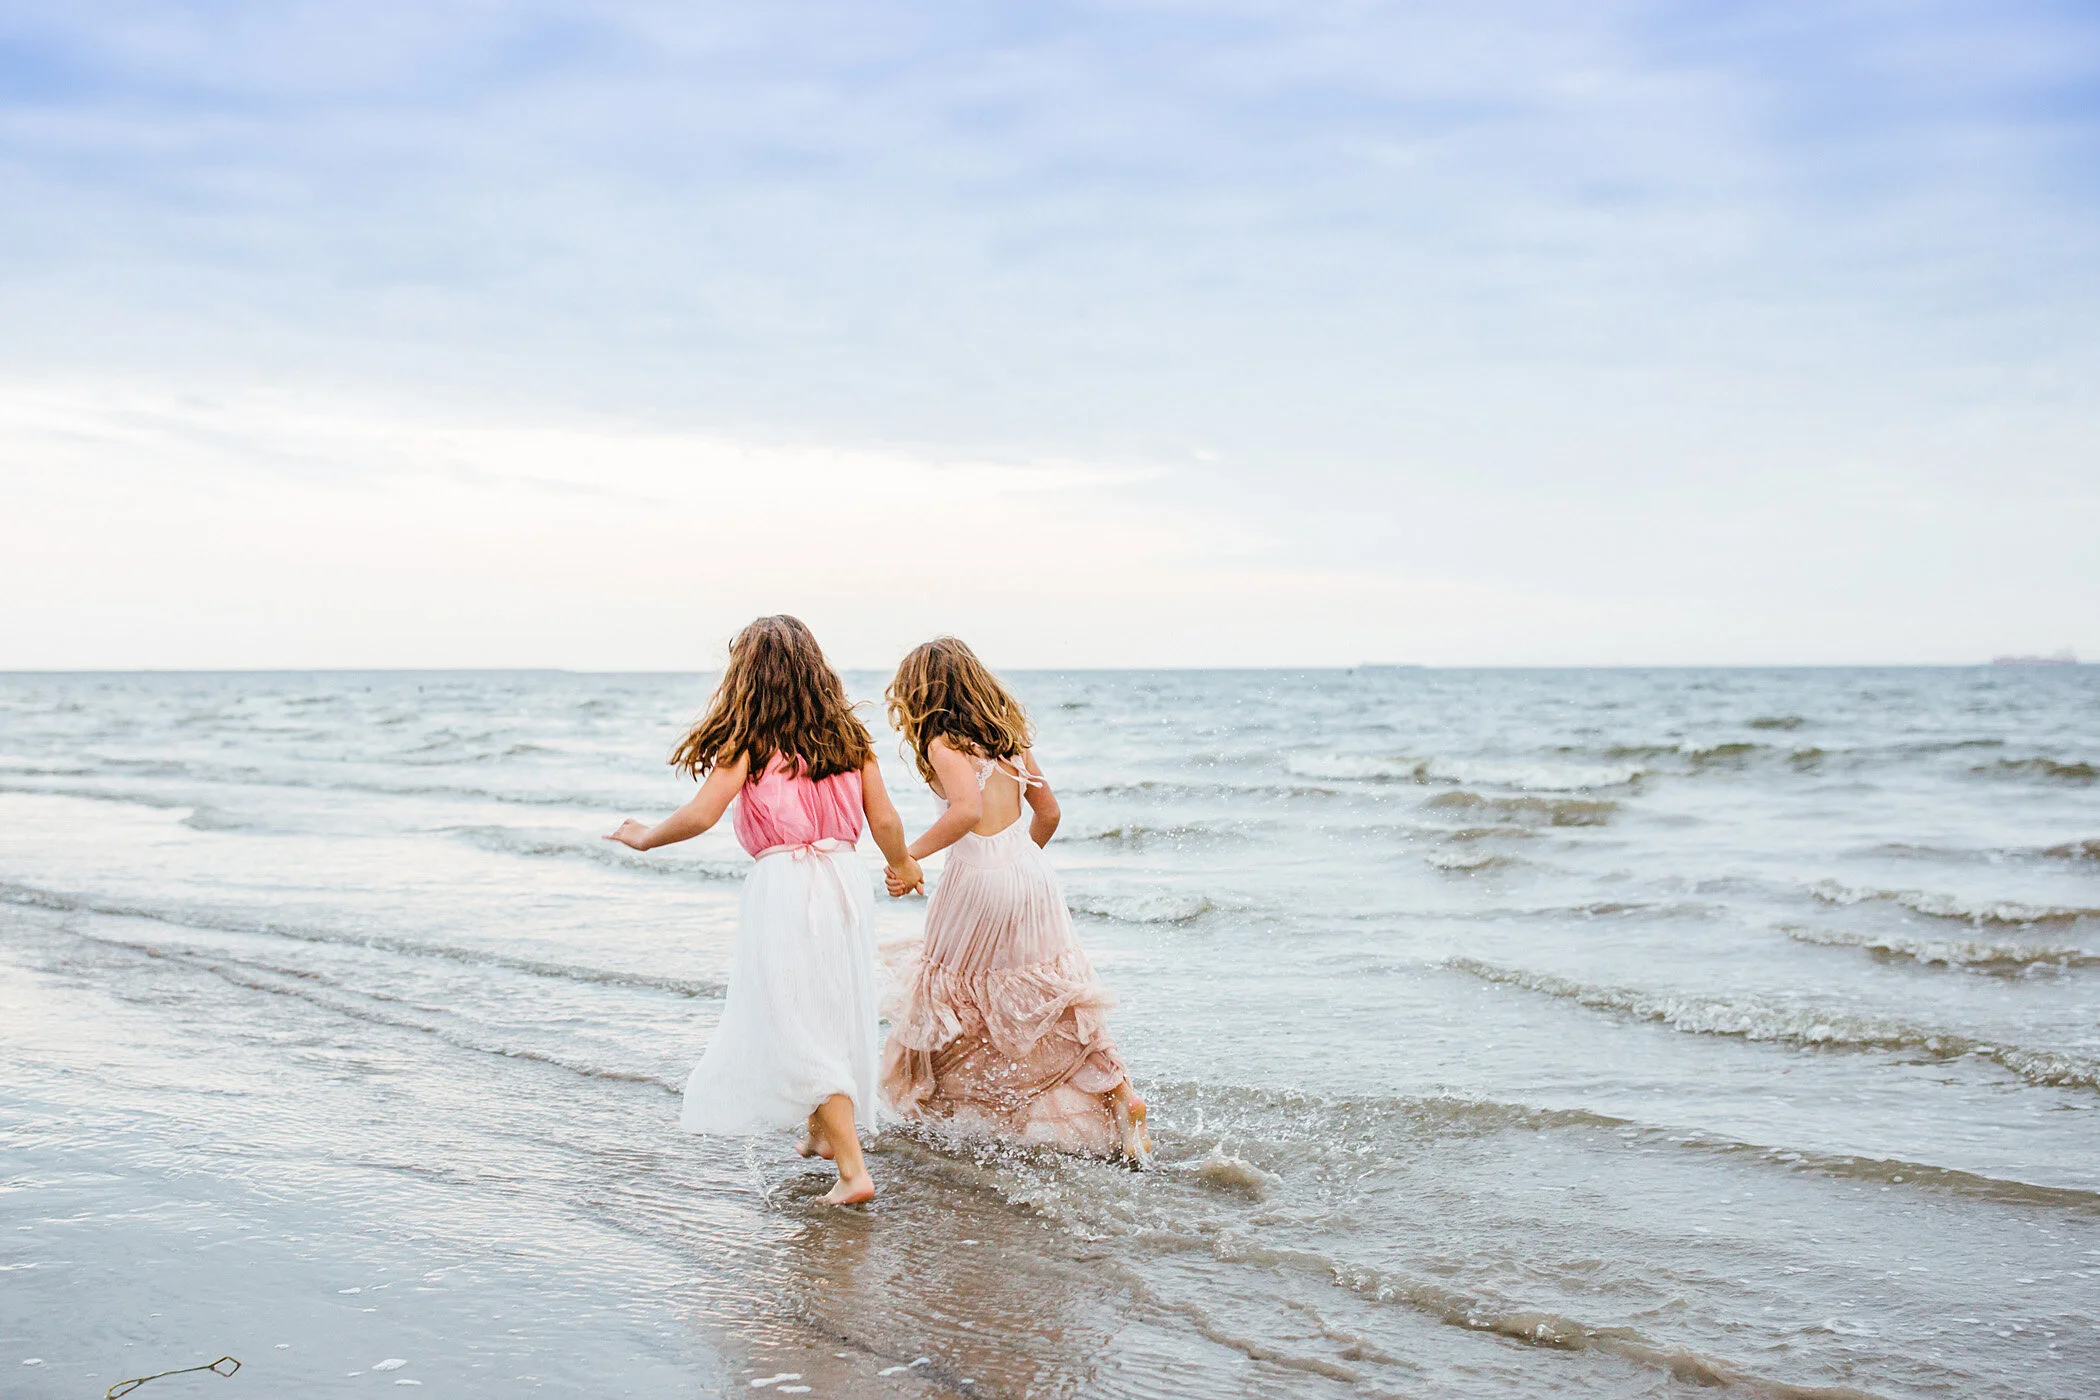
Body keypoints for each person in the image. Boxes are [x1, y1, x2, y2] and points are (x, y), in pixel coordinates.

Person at [607, 615, 921, 1205]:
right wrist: (902, 865)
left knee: (793, 1021)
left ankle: (854, 1173)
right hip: (845, 882)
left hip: (785, 884)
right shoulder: (849, 738)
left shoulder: (749, 742)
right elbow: (883, 819)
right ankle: (821, 1135)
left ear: (747, 677)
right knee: (827, 1010)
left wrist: (644, 837)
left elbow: (701, 816)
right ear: (814, 670)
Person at [878, 637, 1150, 1160]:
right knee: (1058, 994)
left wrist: (907, 858)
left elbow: (964, 812)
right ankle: (1122, 1094)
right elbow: (1049, 813)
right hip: (1031, 871)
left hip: (977, 877)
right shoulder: (1008, 736)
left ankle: (940, 1118)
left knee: (949, 994)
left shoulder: (942, 742)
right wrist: (1020, 863)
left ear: (922, 693)